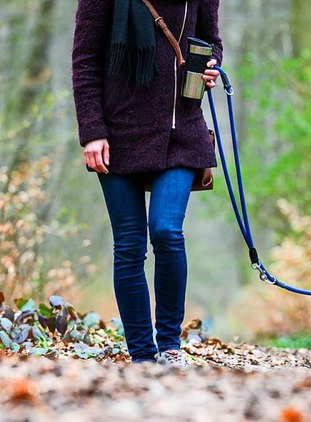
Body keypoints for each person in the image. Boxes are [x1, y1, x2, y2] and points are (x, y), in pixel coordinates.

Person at [72, 0, 223, 365]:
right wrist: (92, 131)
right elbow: (85, 60)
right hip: (118, 134)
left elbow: (211, 41)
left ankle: (170, 346)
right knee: (129, 245)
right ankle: (142, 355)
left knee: (167, 231)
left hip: (180, 132)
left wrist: (211, 67)